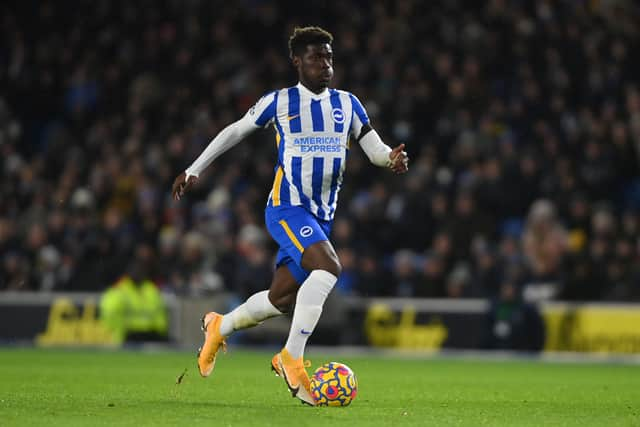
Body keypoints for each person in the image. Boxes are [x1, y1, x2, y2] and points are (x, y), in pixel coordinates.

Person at [172, 26, 408, 406]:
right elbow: (234, 131)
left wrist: (392, 159)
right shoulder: (279, 102)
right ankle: (291, 358)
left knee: (281, 300)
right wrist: (195, 168)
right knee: (329, 268)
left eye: (329, 57)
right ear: (297, 61)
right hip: (286, 208)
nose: (325, 64)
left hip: (320, 217)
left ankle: (220, 325)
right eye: (316, 57)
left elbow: (375, 149)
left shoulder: (348, 104)